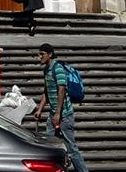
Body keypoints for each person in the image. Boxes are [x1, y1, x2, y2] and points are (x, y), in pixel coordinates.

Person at [31, 43, 88, 172]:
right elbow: (47, 90)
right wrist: (40, 109)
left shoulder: (58, 69)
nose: (39, 57)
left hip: (64, 115)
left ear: (50, 54)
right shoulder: (46, 70)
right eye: (39, 54)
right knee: (47, 144)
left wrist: (58, 113)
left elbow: (61, 90)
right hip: (53, 115)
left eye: (42, 54)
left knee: (71, 148)